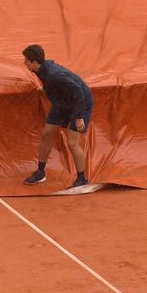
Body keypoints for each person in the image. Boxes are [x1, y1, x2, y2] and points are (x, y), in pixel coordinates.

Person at [21, 44, 92, 189]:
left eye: (26, 61)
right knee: (47, 134)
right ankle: (40, 172)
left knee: (73, 143)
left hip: (79, 105)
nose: (24, 63)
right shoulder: (42, 69)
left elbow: (78, 91)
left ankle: (82, 179)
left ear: (34, 63)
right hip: (61, 104)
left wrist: (78, 117)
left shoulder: (55, 75)